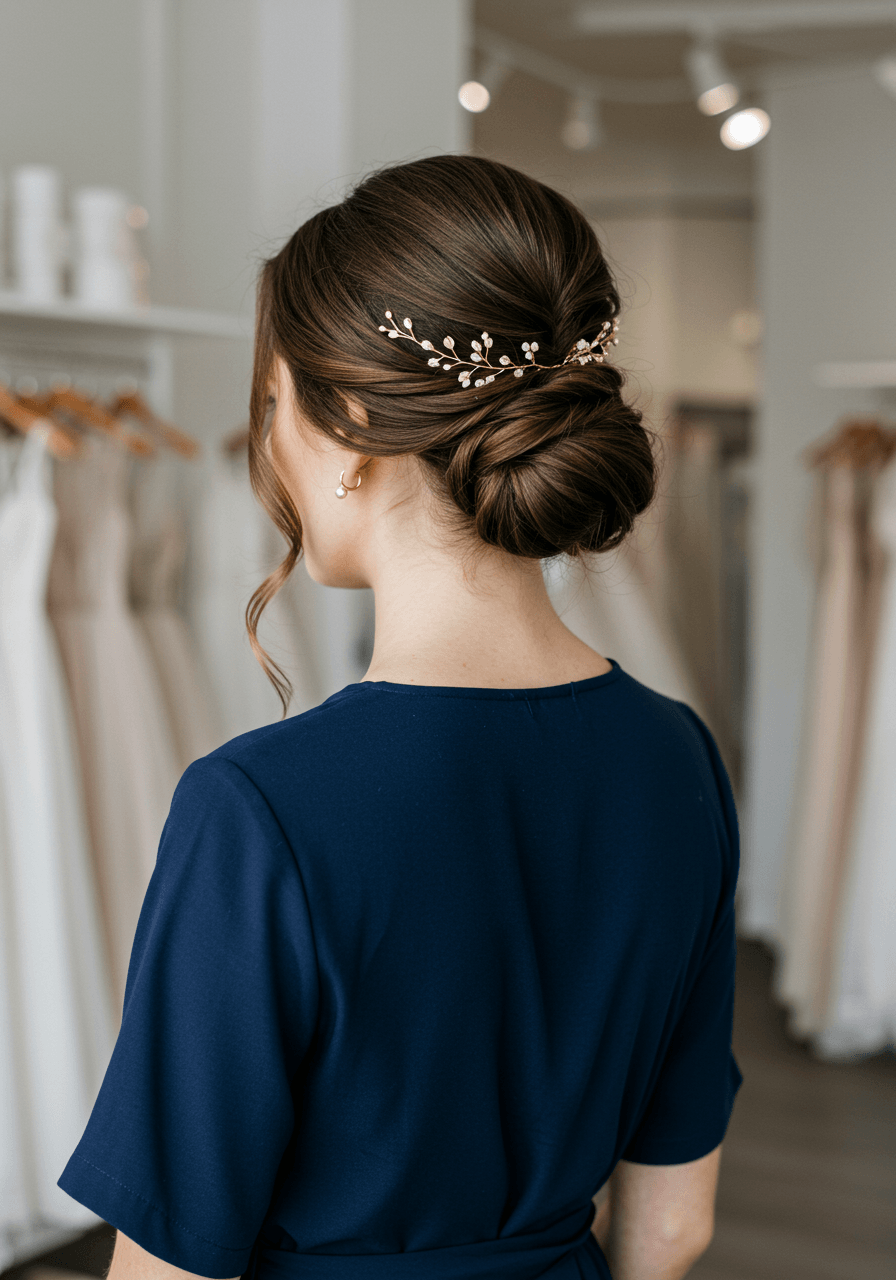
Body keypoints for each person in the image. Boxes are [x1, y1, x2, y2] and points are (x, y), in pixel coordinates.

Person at [58, 155, 743, 1280]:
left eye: (272, 402)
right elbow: (672, 1226)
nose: (267, 441)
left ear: (353, 427)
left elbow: (164, 1269)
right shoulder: (675, 756)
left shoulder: (260, 808)